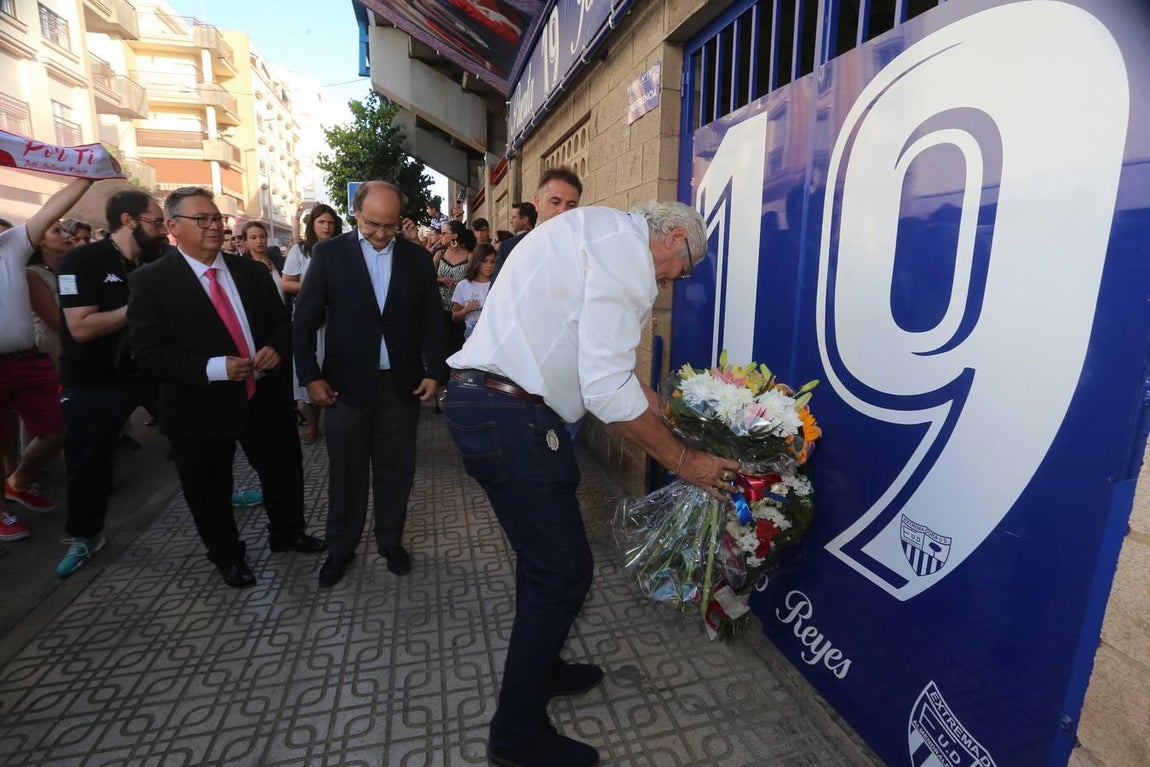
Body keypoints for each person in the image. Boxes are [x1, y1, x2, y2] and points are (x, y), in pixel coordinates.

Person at [445, 201, 740, 767]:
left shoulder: (600, 232)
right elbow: (605, 390)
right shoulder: (625, 254)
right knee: (565, 574)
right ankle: (515, 737)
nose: (677, 278)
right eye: (685, 265)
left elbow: (605, 365)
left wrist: (660, 408)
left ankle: (543, 666)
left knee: (541, 563)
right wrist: (684, 460)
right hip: (510, 415)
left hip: (489, 405)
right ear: (673, 236)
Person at [128, 187, 324, 588]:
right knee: (209, 489)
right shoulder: (151, 282)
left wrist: (273, 347)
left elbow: (280, 325)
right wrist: (215, 367)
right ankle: (227, 555)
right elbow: (147, 354)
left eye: (216, 218)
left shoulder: (249, 272)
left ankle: (287, 533)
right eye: (202, 220)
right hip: (197, 406)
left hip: (263, 395)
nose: (214, 226)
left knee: (283, 471)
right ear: (172, 227)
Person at [293, 181, 447, 588]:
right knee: (346, 471)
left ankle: (390, 541)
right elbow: (304, 320)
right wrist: (311, 376)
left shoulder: (417, 259)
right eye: (372, 224)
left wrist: (435, 373)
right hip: (344, 387)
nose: (381, 234)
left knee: (397, 470)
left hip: (402, 386)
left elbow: (433, 320)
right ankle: (340, 548)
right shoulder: (329, 254)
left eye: (390, 226)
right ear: (356, 213)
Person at [53, 191, 168, 577]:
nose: (162, 229)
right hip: (93, 380)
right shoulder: (81, 261)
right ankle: (86, 536)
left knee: (197, 433)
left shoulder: (158, 259)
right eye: (155, 221)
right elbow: (81, 328)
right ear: (129, 220)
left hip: (150, 370)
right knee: (89, 463)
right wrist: (140, 305)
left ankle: (222, 494)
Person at [0, 178, 96, 541]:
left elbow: (52, 209)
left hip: (28, 361)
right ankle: (3, 512)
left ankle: (19, 481)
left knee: (58, 428)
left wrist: (86, 176)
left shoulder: (9, 247)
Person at [282, 204, 343, 444]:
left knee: (337, 371)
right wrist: (317, 291)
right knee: (312, 369)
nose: (326, 227)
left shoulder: (342, 249)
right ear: (312, 225)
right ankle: (314, 425)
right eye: (321, 222)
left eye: (330, 222)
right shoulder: (300, 250)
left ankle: (338, 423)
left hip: (337, 320)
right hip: (311, 321)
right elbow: (287, 283)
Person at [494, 167, 581, 281]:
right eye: (555, 202)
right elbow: (497, 297)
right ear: (537, 201)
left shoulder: (582, 248)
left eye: (571, 205)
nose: (563, 210)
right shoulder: (510, 249)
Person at [25, 218, 74, 367]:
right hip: (48, 351)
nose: (67, 235)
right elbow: (55, 319)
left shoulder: (67, 271)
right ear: (41, 241)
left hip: (71, 346)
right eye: (57, 231)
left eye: (65, 230)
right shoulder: (32, 274)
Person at [434, 221, 474, 360]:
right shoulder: (439, 254)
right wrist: (440, 280)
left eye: (444, 233)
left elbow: (474, 280)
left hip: (460, 308)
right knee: (442, 344)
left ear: (454, 236)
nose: (441, 236)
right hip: (441, 307)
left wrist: (462, 283)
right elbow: (428, 278)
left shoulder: (469, 256)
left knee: (458, 344)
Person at [449, 243, 494, 340]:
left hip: (494, 335)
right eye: (485, 261)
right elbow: (454, 316)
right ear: (477, 261)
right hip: (472, 336)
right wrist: (466, 310)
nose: (489, 265)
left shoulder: (498, 283)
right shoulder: (464, 286)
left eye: (492, 261)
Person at [240, 221, 286, 304]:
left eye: (262, 237)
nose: (259, 241)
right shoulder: (242, 267)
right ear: (246, 241)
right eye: (253, 238)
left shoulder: (278, 259)